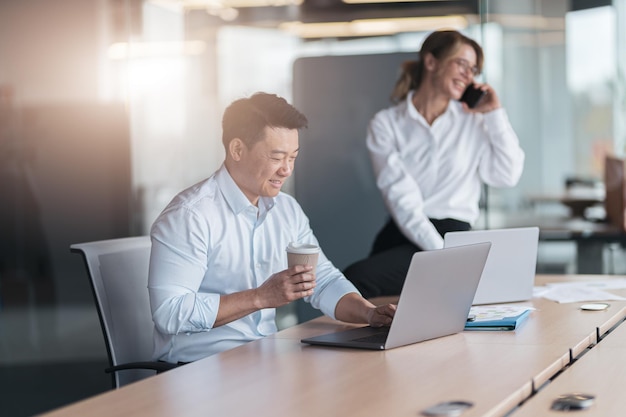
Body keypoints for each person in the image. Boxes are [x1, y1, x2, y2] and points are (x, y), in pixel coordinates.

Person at [148, 92, 396, 364]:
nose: (287, 169)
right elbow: (169, 312)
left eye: (293, 157)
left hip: (265, 359)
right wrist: (259, 297)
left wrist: (369, 313)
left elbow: (321, 279)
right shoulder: (190, 216)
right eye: (277, 157)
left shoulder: (286, 210)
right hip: (199, 367)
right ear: (238, 150)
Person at [343, 29, 525, 299]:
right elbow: (400, 198)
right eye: (461, 64)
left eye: (473, 69)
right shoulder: (387, 123)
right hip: (405, 231)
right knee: (351, 291)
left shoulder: (473, 122)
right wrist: (442, 257)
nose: (468, 75)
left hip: (453, 234)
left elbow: (506, 176)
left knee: (356, 280)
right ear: (431, 62)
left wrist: (494, 115)